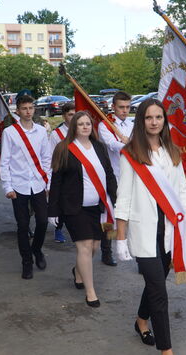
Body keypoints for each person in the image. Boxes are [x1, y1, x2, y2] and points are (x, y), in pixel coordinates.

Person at [114, 98, 186, 355]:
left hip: (169, 232)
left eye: (158, 117)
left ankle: (141, 321)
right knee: (159, 292)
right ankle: (166, 350)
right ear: (141, 121)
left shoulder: (172, 152)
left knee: (155, 284)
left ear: (164, 120)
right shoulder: (130, 154)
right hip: (143, 233)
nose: (154, 122)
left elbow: (182, 193)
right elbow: (123, 197)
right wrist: (120, 237)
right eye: (148, 117)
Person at [48, 111, 117, 307]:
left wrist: (117, 199)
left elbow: (109, 175)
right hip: (74, 207)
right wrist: (52, 210)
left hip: (98, 207)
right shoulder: (64, 149)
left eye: (88, 123)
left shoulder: (100, 147)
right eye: (81, 124)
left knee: (94, 247)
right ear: (74, 127)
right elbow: (57, 182)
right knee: (85, 246)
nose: (85, 127)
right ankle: (91, 292)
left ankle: (78, 271)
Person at [0, 95, 51, 279]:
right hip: (19, 185)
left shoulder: (40, 131)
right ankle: (26, 261)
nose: (28, 111)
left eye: (31, 108)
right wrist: (7, 186)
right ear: (18, 111)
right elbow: (4, 161)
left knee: (43, 221)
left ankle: (36, 249)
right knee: (22, 225)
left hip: (38, 183)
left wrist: (48, 182)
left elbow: (46, 159)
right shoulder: (10, 133)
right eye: (24, 108)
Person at [98, 91, 134, 266]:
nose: (125, 111)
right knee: (110, 215)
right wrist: (131, 145)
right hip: (113, 177)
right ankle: (107, 252)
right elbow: (113, 145)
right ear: (113, 107)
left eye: (127, 107)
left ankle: (139, 255)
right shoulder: (106, 125)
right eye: (121, 107)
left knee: (134, 216)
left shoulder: (132, 124)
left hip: (132, 176)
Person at [49, 102, 76, 243]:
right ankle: (58, 228)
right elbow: (51, 156)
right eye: (70, 114)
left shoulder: (82, 131)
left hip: (77, 173)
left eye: (75, 114)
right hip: (62, 172)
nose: (73, 117)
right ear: (64, 116)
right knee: (61, 202)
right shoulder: (56, 134)